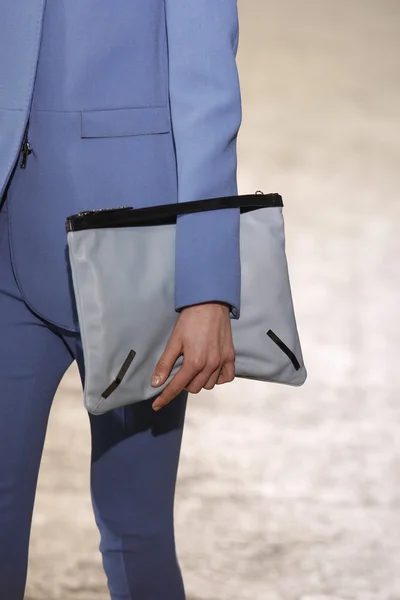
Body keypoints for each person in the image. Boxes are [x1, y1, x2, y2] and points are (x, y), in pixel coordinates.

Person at [0, 0, 242, 598]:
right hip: (6, 242)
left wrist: (205, 289)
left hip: (135, 259)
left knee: (137, 531)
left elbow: (208, 92)